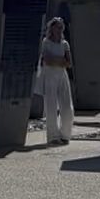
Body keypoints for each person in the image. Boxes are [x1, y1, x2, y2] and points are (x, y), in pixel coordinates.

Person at [40, 17, 73, 146]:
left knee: (66, 106)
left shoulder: (65, 44)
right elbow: (46, 60)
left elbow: (69, 63)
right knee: (51, 106)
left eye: (61, 27)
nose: (59, 29)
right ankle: (53, 136)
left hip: (62, 75)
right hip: (50, 75)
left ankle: (65, 134)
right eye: (57, 27)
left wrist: (56, 60)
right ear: (52, 28)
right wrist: (60, 61)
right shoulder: (46, 43)